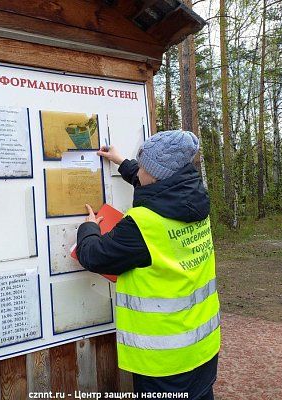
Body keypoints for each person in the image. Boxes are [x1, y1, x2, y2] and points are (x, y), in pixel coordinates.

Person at [76, 130, 220, 399]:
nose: (139, 172)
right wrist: (122, 162)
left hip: (164, 361)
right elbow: (159, 187)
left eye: (142, 167)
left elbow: (94, 256)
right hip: (202, 348)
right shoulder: (195, 200)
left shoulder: (144, 224)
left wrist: (88, 230)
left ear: (154, 174)